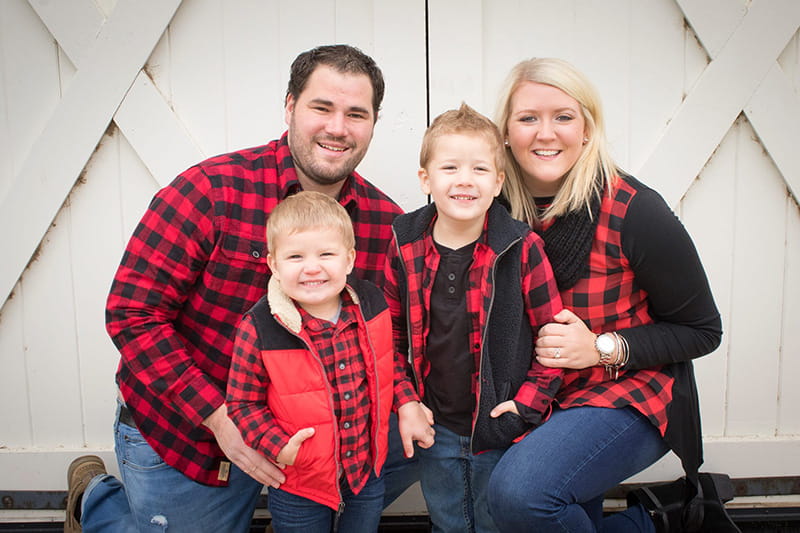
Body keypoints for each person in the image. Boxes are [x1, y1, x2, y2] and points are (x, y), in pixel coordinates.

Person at [64, 44, 418, 533]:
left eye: (356, 114)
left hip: (318, 434)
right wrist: (218, 417)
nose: (338, 128)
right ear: (290, 107)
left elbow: (393, 338)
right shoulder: (211, 190)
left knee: (435, 440)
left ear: (373, 123)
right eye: (322, 108)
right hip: (195, 429)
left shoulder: (386, 224)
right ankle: (96, 500)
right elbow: (132, 312)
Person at [485, 57, 723, 532]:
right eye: (528, 118)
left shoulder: (633, 209)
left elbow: (702, 330)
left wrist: (598, 347)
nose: (546, 133)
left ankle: (650, 524)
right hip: (538, 392)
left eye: (563, 117)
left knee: (521, 495)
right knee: (558, 511)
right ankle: (665, 520)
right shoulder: (490, 208)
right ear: (506, 133)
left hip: (628, 390)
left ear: (587, 130)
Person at [383, 103, 564, 533]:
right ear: (426, 179)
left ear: (498, 181)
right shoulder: (404, 243)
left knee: (495, 520)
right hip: (435, 424)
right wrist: (406, 401)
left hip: (499, 423)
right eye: (450, 167)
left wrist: (525, 405)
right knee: (448, 519)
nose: (464, 179)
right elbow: (388, 338)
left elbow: (554, 338)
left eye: (480, 169)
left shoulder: (520, 248)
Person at [226, 191, 433, 533]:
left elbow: (390, 364)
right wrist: (279, 446)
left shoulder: (371, 304)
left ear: (349, 260)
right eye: (295, 256)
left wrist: (408, 402)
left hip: (365, 473)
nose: (312, 267)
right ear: (274, 265)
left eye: (326, 254)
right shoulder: (261, 326)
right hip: (299, 482)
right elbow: (242, 404)